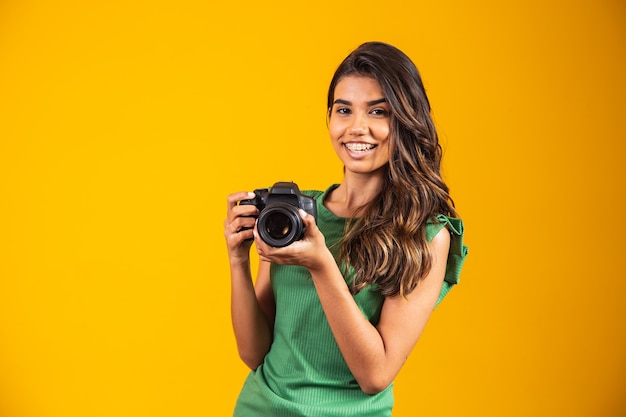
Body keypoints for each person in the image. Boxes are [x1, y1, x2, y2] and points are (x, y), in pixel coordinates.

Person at [223, 41, 468, 416]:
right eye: (343, 110)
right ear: (329, 118)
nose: (357, 128)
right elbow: (254, 353)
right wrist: (238, 260)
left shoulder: (425, 234)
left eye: (377, 111)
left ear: (405, 120)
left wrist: (322, 265)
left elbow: (376, 374)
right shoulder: (293, 214)